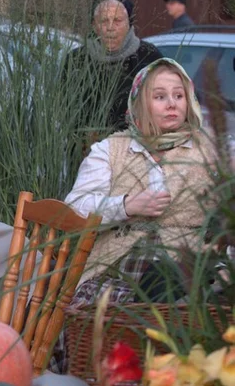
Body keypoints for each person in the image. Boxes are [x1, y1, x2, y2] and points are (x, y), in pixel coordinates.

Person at [63, 59, 221, 332]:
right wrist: (126, 205)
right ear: (140, 104)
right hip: (119, 265)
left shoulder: (209, 148)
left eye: (179, 95)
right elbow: (74, 208)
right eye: (160, 96)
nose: (172, 104)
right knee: (140, 295)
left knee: (178, 284)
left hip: (186, 262)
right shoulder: (111, 150)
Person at [63, 0, 163, 130]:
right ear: (94, 25)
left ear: (129, 24)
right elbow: (65, 110)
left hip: (137, 142)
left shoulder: (149, 55)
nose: (110, 27)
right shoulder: (76, 59)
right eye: (104, 21)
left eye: (117, 20)